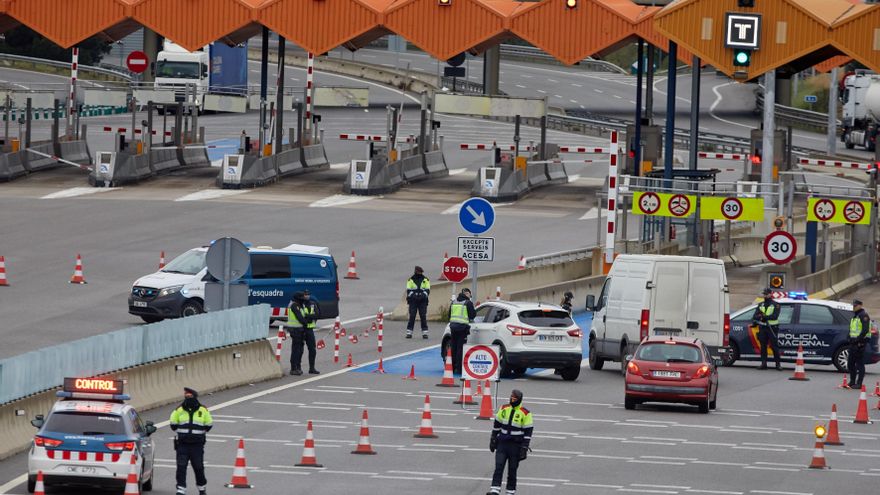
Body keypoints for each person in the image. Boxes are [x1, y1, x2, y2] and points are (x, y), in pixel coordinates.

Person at [487, 389, 533, 495]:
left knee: (512, 470)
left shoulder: (525, 413)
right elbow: (497, 424)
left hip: (515, 445)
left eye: (515, 398)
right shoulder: (504, 408)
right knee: (499, 466)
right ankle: (495, 489)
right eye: (511, 398)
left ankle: (510, 491)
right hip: (502, 443)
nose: (512, 400)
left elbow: (528, 432)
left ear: (519, 399)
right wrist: (493, 438)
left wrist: (524, 448)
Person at [170, 387, 213, 495]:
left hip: (197, 446)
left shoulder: (203, 410)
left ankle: (202, 488)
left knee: (198, 467)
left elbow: (209, 425)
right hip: (183, 445)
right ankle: (181, 489)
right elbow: (173, 425)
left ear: (195, 397)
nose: (188, 398)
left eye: (190, 396)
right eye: (186, 396)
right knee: (181, 467)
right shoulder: (179, 410)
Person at [287, 290, 319, 376]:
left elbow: (317, 314)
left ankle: (303, 368)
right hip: (296, 330)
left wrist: (307, 319)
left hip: (302, 329)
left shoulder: (303, 304)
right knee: (296, 349)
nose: (305, 298)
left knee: (303, 349)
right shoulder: (295, 305)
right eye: (303, 297)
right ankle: (295, 368)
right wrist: (307, 321)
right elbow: (300, 317)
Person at [752, 288, 782, 370]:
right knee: (763, 347)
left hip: (772, 328)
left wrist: (764, 316)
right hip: (763, 328)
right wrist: (761, 317)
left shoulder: (776, 304)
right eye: (764, 294)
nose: (765, 295)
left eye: (766, 294)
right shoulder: (761, 304)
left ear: (770, 294)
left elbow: (775, 316)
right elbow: (755, 316)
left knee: (774, 346)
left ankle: (778, 365)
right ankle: (764, 364)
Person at [449, 288, 477, 375]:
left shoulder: (454, 302)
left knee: (453, 347)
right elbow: (472, 315)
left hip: (453, 327)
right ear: (467, 294)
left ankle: (451, 367)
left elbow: (449, 314)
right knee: (460, 348)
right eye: (469, 294)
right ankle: (459, 368)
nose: (470, 296)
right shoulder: (467, 303)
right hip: (462, 328)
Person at [848, 299, 871, 388]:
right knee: (850, 363)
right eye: (853, 306)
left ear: (860, 306)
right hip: (853, 342)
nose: (853, 307)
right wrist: (849, 337)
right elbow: (852, 329)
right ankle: (852, 381)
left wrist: (857, 340)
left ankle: (859, 383)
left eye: (855, 306)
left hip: (860, 343)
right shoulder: (855, 316)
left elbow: (865, 330)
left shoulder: (863, 315)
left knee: (859, 363)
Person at [405, 266, 431, 339]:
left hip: (423, 301)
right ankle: (409, 332)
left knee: (423, 316)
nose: (420, 273)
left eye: (421, 272)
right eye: (419, 272)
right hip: (413, 301)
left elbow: (427, 290)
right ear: (416, 271)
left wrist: (421, 296)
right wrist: (415, 296)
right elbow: (408, 291)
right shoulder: (410, 280)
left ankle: (425, 333)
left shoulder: (426, 280)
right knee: (412, 316)